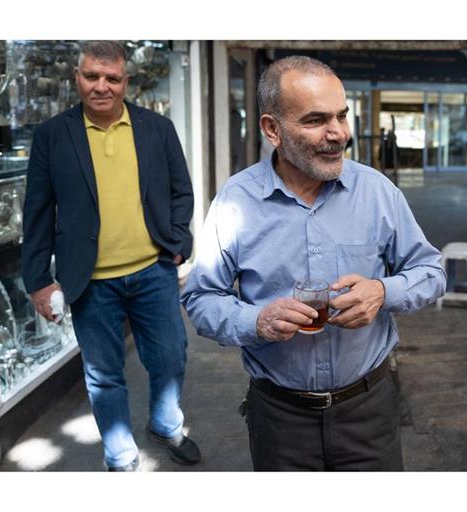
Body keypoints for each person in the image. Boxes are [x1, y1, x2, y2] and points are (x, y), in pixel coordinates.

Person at [181, 55, 446, 471]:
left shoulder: (377, 192)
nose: (338, 133)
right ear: (272, 130)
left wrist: (382, 291)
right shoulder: (235, 201)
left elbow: (431, 271)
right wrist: (256, 321)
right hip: (280, 419)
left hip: (370, 411)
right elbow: (200, 298)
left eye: (342, 116)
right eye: (316, 120)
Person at [22, 41, 200, 471]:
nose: (101, 87)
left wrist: (177, 244)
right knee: (103, 376)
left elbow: (181, 191)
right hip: (89, 281)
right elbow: (38, 213)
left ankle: (166, 423)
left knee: (171, 355)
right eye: (91, 76)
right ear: (77, 77)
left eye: (112, 78)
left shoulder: (156, 128)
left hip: (153, 270)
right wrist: (38, 281)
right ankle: (120, 457)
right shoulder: (52, 135)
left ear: (125, 81)